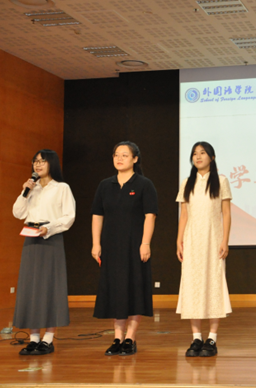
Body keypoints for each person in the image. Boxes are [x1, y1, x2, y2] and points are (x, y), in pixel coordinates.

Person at [91, 141, 158, 356]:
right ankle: (117, 337)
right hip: (111, 246)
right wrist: (96, 243)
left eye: (125, 155)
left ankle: (130, 338)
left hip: (135, 246)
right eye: (116, 155)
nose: (119, 159)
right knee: (116, 290)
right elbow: (97, 216)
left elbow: (150, 216)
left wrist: (145, 243)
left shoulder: (144, 184)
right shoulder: (105, 185)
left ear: (135, 159)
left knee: (135, 289)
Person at [12, 149, 76, 355]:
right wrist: (25, 192)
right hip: (30, 239)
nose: (38, 165)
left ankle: (48, 339)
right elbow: (17, 213)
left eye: (42, 161)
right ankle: (33, 338)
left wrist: (50, 228)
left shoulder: (62, 188)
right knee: (31, 287)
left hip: (51, 238)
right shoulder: (32, 188)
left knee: (50, 287)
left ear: (52, 164)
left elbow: (69, 216)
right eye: (35, 161)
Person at [176, 142, 232, 357]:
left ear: (212, 157)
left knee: (213, 284)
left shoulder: (221, 181)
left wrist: (224, 240)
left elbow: (226, 213)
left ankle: (212, 338)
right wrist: (179, 240)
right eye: (194, 154)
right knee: (192, 285)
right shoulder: (187, 183)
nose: (198, 157)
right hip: (191, 241)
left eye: (203, 153)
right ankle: (196, 337)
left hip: (213, 240)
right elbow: (184, 214)